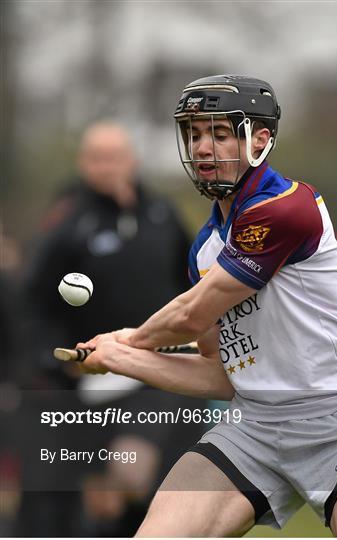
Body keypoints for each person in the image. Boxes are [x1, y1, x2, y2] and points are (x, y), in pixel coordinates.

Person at [78, 76, 337, 537]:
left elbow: (191, 314)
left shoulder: (287, 208)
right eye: (193, 133)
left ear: (261, 140)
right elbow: (219, 374)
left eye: (219, 133)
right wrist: (121, 361)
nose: (202, 147)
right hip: (252, 428)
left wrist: (127, 341)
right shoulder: (204, 251)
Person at [17, 121, 205, 537]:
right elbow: (34, 301)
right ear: (83, 163)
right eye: (97, 158)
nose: (107, 167)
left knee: (131, 473)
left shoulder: (162, 216)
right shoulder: (67, 222)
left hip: (153, 376)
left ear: (132, 160)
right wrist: (53, 359)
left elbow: (193, 286)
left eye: (115, 157)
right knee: (87, 498)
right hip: (84, 380)